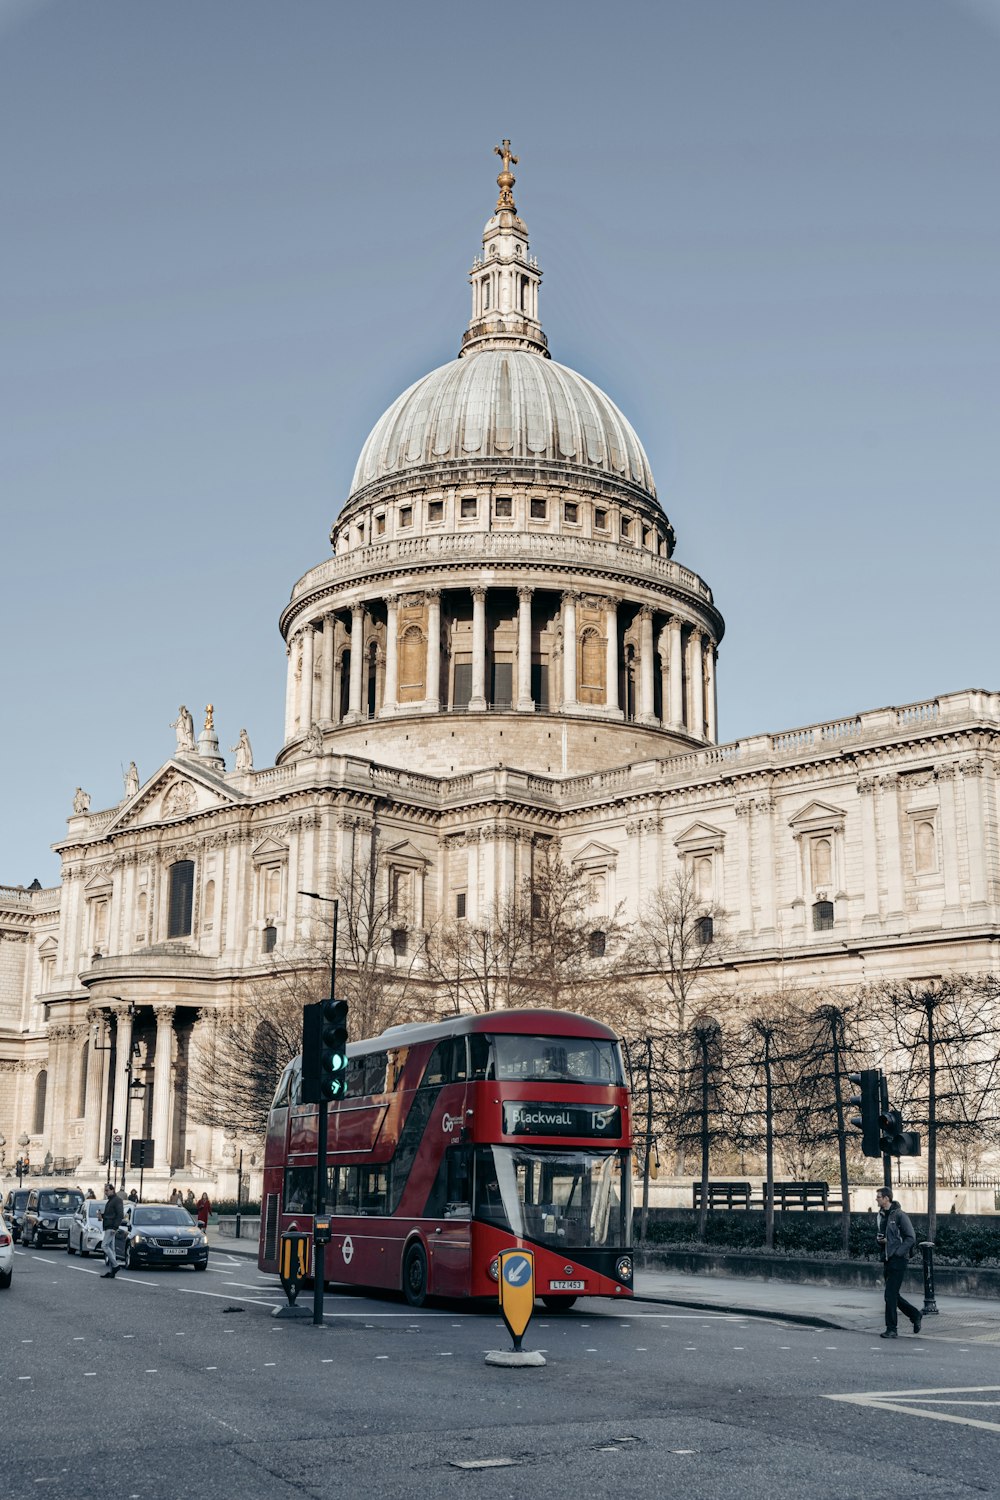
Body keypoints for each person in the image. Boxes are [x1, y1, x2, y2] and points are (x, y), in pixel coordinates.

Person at [875, 1186, 922, 1337]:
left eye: (879, 1197)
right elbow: (884, 1237)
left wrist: (898, 1252)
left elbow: (911, 1237)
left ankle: (892, 1329)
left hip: (898, 1260)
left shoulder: (900, 1215)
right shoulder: (880, 1215)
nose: (876, 1199)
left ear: (886, 1198)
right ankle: (915, 1315)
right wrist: (880, 1241)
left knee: (889, 1295)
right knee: (892, 1294)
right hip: (887, 1259)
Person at [99, 1181, 125, 1279]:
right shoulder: (110, 1201)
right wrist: (102, 1216)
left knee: (104, 1246)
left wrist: (115, 1227)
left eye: (107, 1190)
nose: (105, 1192)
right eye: (105, 1191)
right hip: (108, 1226)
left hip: (111, 1227)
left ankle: (115, 1266)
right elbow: (110, 1215)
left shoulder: (117, 1200)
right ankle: (112, 1272)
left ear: (112, 1190)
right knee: (111, 1249)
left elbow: (120, 1215)